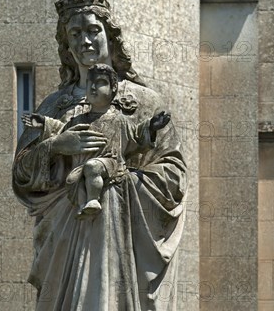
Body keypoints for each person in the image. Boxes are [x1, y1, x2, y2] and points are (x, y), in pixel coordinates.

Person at [13, 0, 187, 311]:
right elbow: (22, 175)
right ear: (66, 47)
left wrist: (119, 176)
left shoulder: (144, 103)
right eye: (74, 35)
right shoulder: (53, 108)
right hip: (65, 246)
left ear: (109, 34)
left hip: (120, 248)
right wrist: (55, 149)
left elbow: (173, 174)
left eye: (92, 30)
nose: (85, 41)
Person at [23, 63, 172, 219]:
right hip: (81, 171)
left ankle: (93, 201)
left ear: (113, 88)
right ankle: (84, 207)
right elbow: (62, 129)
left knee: (92, 167)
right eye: (90, 82)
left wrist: (151, 127)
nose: (93, 87)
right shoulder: (79, 120)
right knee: (72, 179)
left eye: (100, 82)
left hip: (111, 167)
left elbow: (136, 137)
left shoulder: (120, 120)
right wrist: (45, 123)